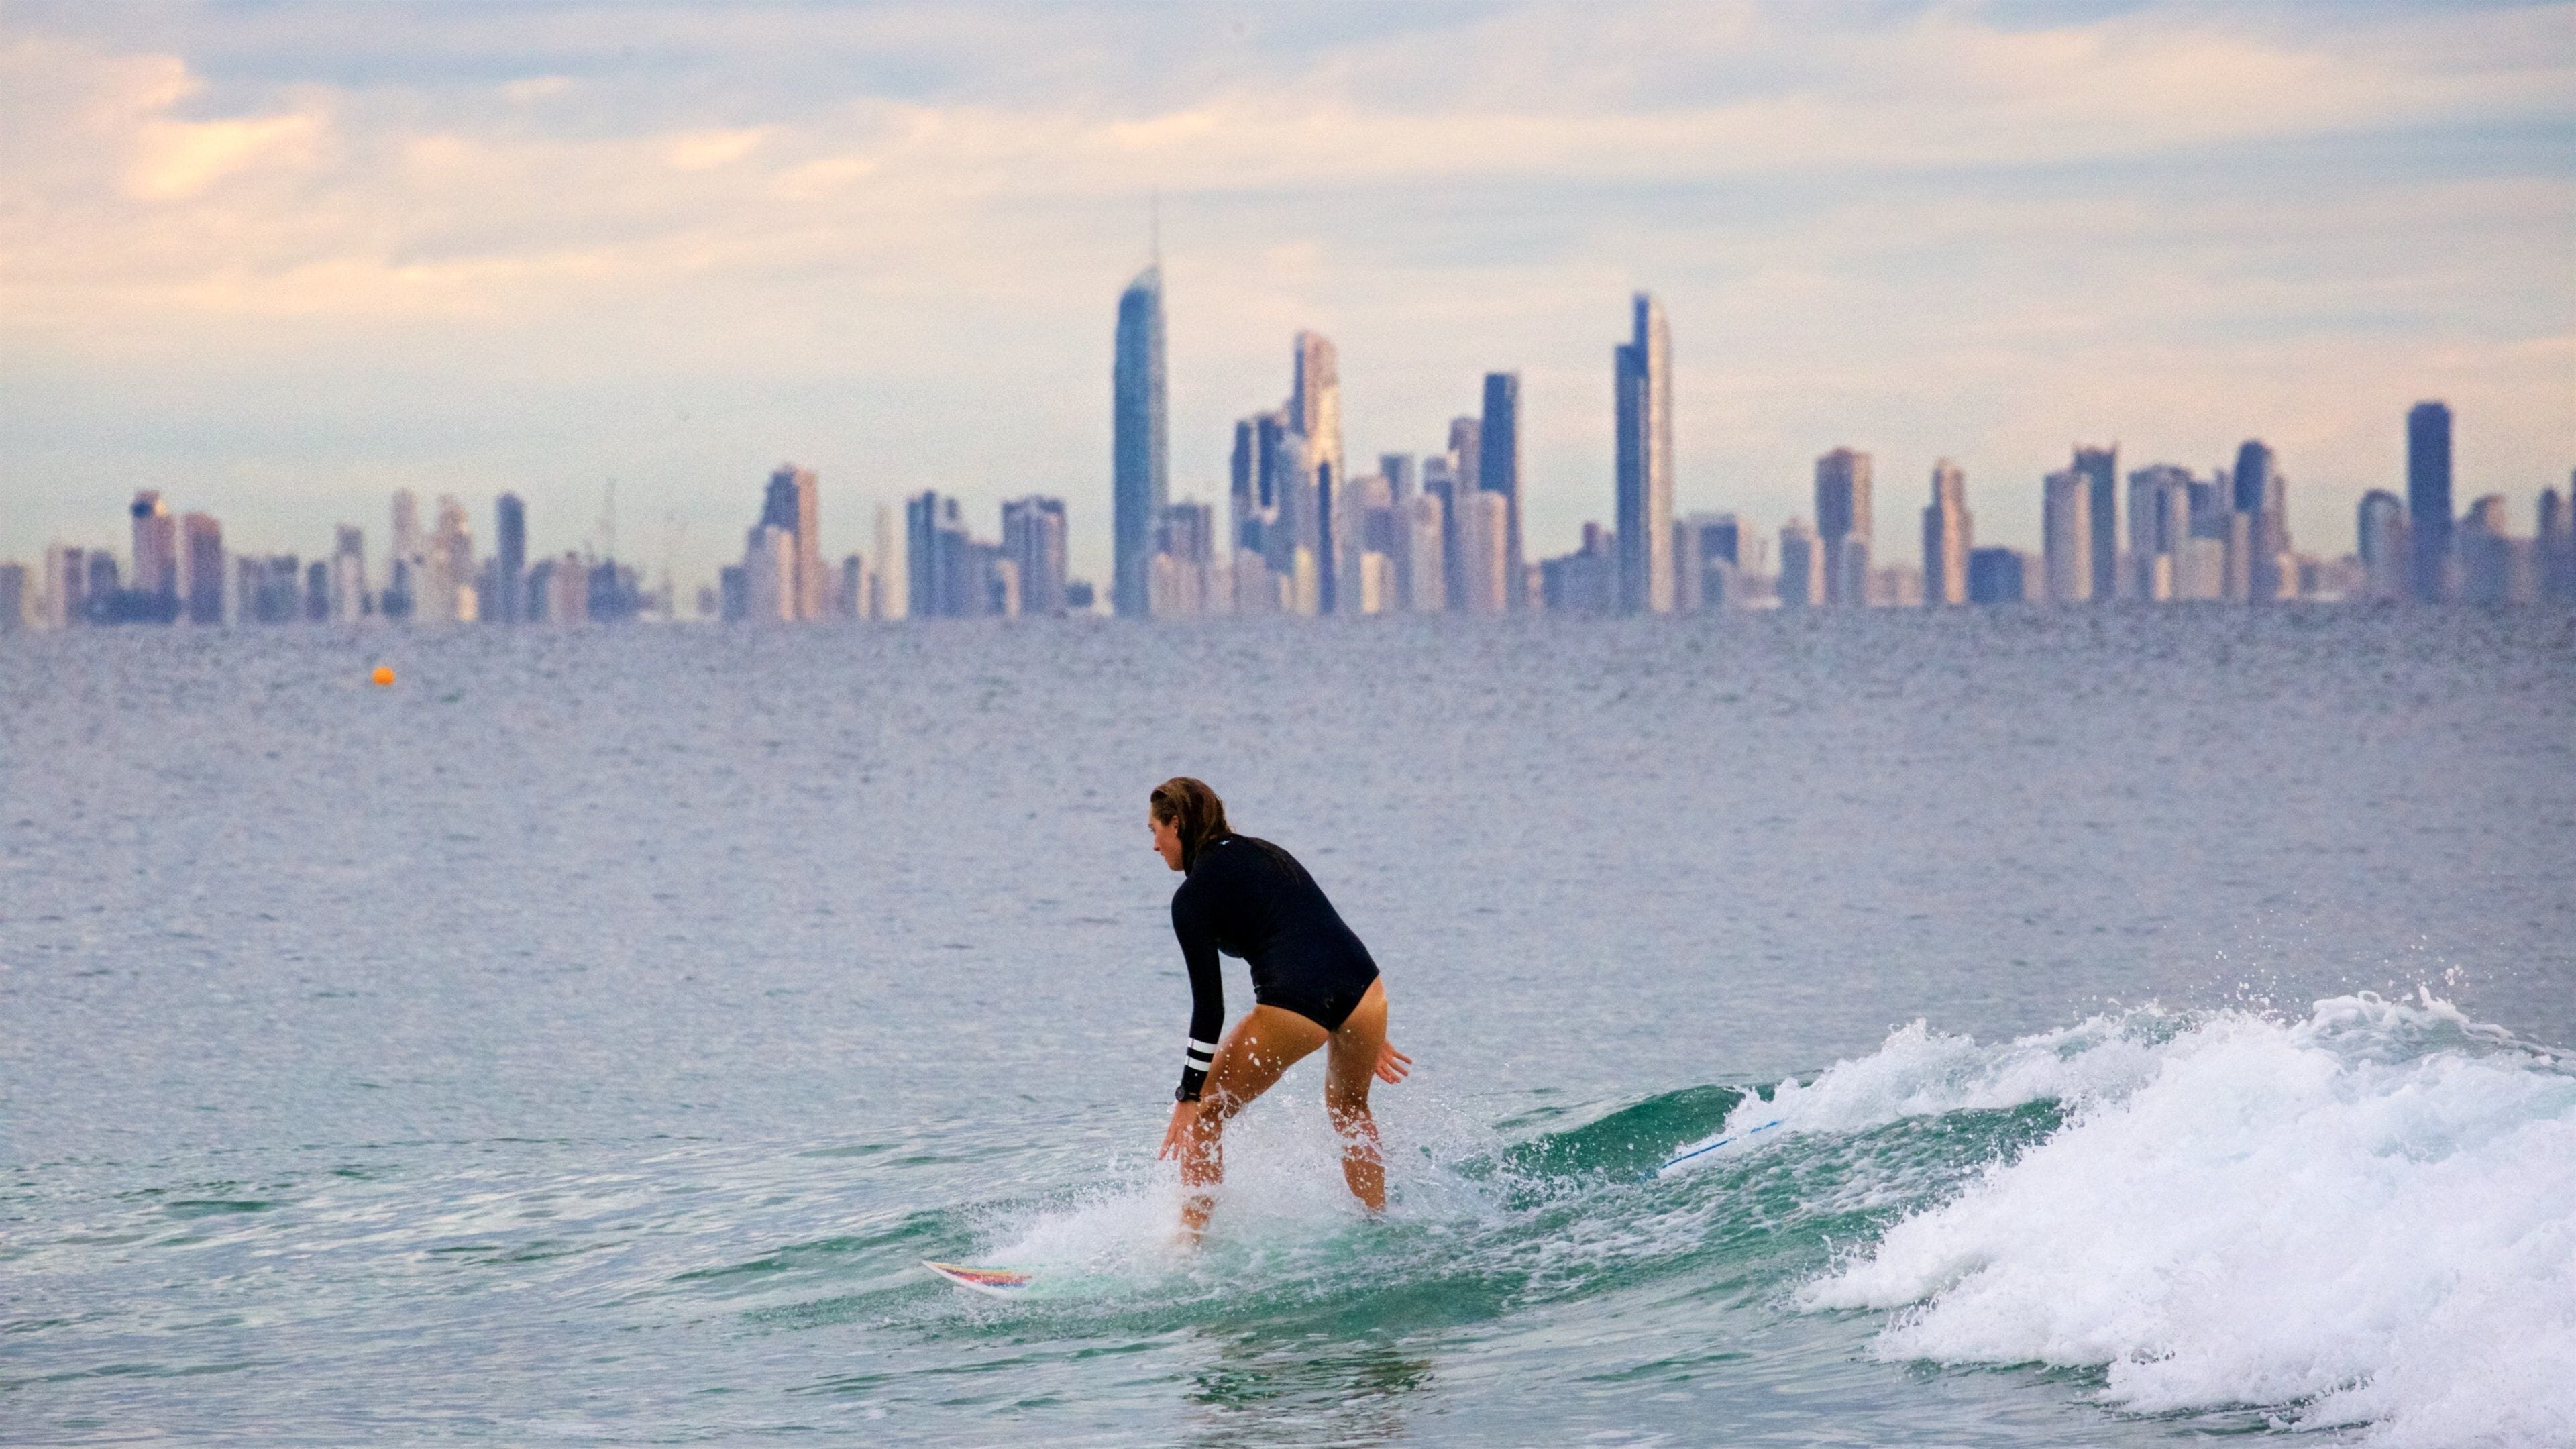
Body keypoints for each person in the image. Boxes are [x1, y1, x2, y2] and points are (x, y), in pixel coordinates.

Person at [1148, 777, 1410, 1240]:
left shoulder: (1191, 898)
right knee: (1350, 1108)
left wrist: (1187, 1095)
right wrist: (1352, 1018)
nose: (1154, 846)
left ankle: (1184, 1251)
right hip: (1364, 989)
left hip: (1299, 1002)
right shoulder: (1264, 852)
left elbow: (1209, 1007)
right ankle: (1379, 1227)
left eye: (1156, 831)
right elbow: (1315, 927)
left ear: (1177, 823)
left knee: (1207, 1113)